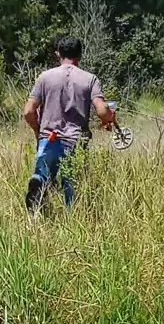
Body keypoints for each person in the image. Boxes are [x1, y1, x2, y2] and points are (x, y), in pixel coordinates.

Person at [24, 36, 114, 210]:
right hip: (75, 140)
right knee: (71, 185)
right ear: (80, 55)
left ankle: (38, 184)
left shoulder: (45, 77)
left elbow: (28, 111)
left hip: (49, 138)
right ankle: (70, 216)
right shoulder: (90, 79)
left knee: (43, 174)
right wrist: (109, 118)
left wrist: (38, 130)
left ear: (58, 53)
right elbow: (102, 110)